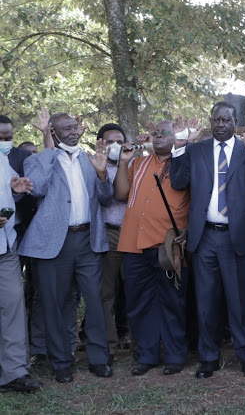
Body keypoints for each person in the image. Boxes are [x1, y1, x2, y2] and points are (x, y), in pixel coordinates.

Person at [170, 101, 245, 379]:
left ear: (235, 122)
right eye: (216, 120)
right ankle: (208, 358)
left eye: (226, 120)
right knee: (206, 301)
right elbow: (178, 182)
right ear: (211, 121)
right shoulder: (196, 150)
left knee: (239, 302)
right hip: (205, 237)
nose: (221, 125)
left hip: (236, 237)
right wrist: (178, 146)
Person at [19, 109, 114, 383]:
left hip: (88, 240)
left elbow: (106, 199)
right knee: (53, 303)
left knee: (94, 302)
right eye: (66, 128)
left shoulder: (90, 159)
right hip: (53, 244)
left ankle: (98, 359)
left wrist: (101, 175)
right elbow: (36, 188)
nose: (73, 132)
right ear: (53, 132)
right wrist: (48, 148)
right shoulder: (37, 160)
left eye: (75, 127)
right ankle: (60, 362)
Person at [114, 120, 190, 376]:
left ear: (175, 136)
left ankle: (174, 355)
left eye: (164, 133)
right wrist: (124, 162)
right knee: (139, 301)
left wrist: (188, 230)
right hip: (134, 242)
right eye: (155, 133)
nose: (159, 137)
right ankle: (147, 355)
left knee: (171, 301)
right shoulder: (139, 163)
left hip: (166, 245)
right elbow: (121, 194)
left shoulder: (183, 163)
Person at [0, 150, 42, 392]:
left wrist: (15, 190)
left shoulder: (3, 160)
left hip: (6, 247)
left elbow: (9, 194)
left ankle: (14, 372)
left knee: (13, 308)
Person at [96, 123, 129, 359]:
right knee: (106, 293)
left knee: (136, 290)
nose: (114, 146)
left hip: (134, 234)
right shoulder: (94, 166)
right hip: (107, 233)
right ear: (100, 144)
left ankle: (141, 343)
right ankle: (109, 345)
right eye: (109, 142)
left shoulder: (134, 163)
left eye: (119, 141)